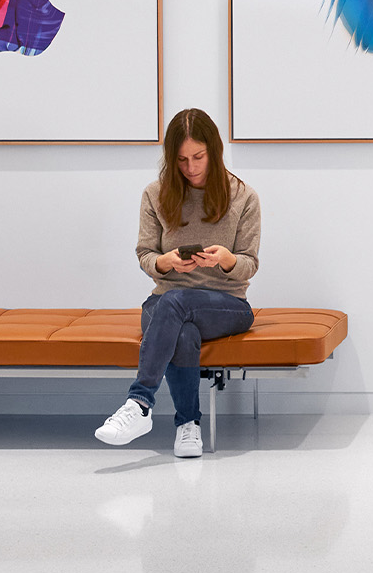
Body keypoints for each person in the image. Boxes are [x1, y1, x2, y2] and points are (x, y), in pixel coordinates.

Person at [97, 107, 261, 458]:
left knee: (176, 304)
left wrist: (226, 259)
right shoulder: (155, 194)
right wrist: (164, 262)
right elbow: (145, 254)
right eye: (182, 160)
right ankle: (189, 427)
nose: (191, 167)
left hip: (227, 305)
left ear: (214, 151)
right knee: (180, 324)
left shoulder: (244, 197)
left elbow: (249, 264)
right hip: (168, 302)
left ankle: (139, 402)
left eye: (198, 157)